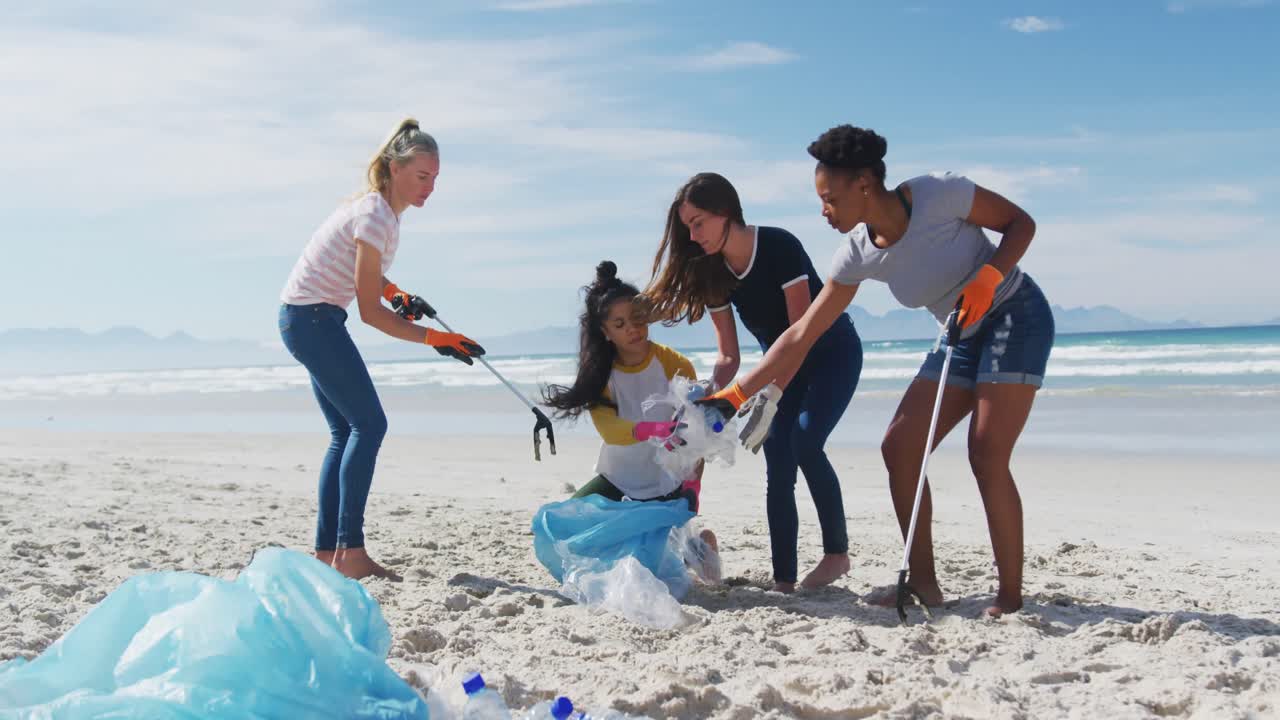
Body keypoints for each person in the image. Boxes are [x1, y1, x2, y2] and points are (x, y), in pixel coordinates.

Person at [703, 125, 1054, 616]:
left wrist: (988, 277)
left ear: (864, 184)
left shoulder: (938, 193)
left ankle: (1010, 598)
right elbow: (802, 333)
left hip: (1014, 314)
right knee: (900, 447)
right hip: (959, 333)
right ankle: (924, 585)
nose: (823, 211)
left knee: (986, 452)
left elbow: (1021, 223)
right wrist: (735, 396)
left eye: (829, 199)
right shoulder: (856, 253)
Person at [278, 117, 486, 580]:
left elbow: (363, 274)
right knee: (369, 426)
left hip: (307, 319)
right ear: (395, 168)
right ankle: (350, 552)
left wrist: (396, 292)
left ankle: (328, 554)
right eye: (422, 176)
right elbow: (370, 313)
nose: (430, 187)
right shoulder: (374, 215)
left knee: (345, 431)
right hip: (314, 320)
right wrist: (436, 338)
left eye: (435, 178)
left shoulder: (381, 212)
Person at [644, 173, 864, 593]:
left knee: (804, 442)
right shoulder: (713, 272)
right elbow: (729, 355)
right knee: (778, 464)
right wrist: (707, 397)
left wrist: (771, 395)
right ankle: (784, 582)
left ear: (726, 212)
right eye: (687, 227)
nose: (693, 236)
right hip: (779, 369)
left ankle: (836, 555)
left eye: (698, 223)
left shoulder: (779, 246)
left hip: (832, 354)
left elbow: (800, 335)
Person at [542, 261, 710, 514]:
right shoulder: (600, 375)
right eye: (619, 325)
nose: (632, 329)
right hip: (617, 480)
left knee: (656, 538)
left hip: (668, 484)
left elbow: (697, 434)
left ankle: (697, 538)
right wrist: (651, 429)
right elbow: (609, 429)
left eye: (637, 318)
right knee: (562, 521)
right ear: (606, 332)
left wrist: (693, 486)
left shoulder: (676, 364)